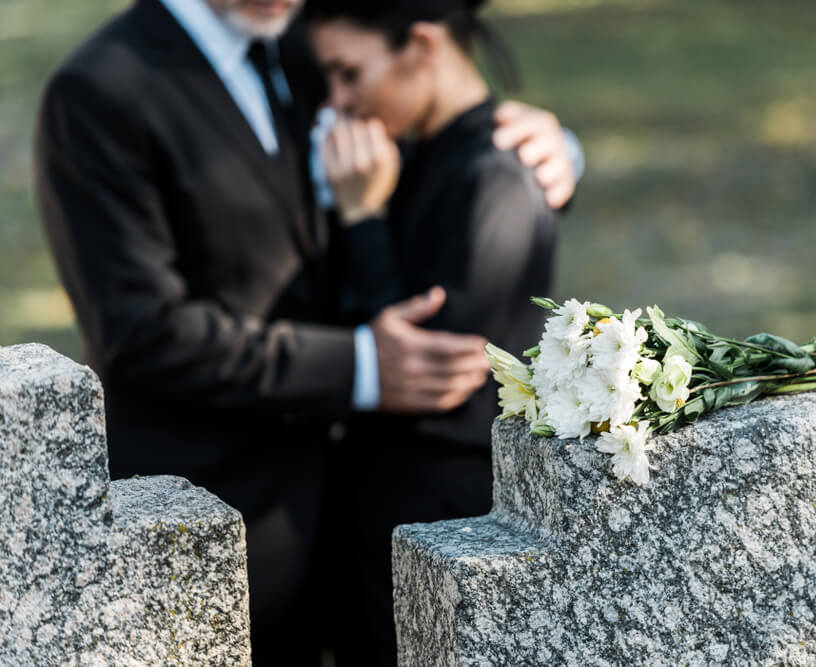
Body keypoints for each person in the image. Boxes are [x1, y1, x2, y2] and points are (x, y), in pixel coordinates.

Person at [33, 0, 580, 663]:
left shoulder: (309, 41)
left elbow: (421, 128)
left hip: (348, 524)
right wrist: (359, 366)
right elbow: (139, 330)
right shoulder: (98, 89)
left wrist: (546, 150)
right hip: (204, 529)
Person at [302, 1, 557, 663]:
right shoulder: (414, 155)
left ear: (421, 44)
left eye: (349, 73)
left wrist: (362, 220)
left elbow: (425, 369)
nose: (340, 101)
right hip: (387, 519)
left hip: (443, 523)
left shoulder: (494, 176)